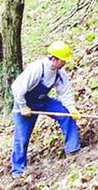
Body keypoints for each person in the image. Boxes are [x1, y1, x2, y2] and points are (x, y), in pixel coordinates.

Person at [10, 41, 81, 177]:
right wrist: (23, 106)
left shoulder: (60, 73)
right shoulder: (37, 68)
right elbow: (17, 88)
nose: (64, 63)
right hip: (25, 102)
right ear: (54, 58)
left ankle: (73, 150)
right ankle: (17, 171)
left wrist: (72, 109)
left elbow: (64, 93)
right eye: (63, 60)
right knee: (22, 137)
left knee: (66, 115)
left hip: (43, 100)